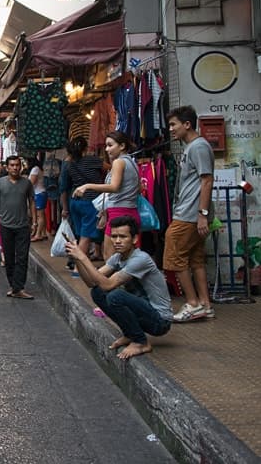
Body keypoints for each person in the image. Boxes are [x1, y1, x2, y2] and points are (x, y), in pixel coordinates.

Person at [66, 216, 173, 359]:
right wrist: (78, 259)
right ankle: (130, 334)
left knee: (115, 296)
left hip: (160, 321)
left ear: (134, 239)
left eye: (122, 237)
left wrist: (83, 257)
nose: (117, 241)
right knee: (97, 292)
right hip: (144, 312)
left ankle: (141, 342)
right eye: (114, 236)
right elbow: (92, 282)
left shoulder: (140, 259)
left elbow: (108, 284)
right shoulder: (117, 258)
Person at [164, 105, 216, 322]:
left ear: (187, 124)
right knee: (195, 258)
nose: (170, 129)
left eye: (173, 124)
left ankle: (193, 303)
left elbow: (207, 180)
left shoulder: (198, 147)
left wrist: (202, 214)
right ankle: (205, 304)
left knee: (174, 255)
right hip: (190, 212)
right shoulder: (191, 147)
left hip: (189, 214)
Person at [73, 131, 141, 259]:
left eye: (110, 145)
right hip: (131, 211)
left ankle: (108, 279)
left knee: (110, 257)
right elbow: (139, 189)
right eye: (106, 145)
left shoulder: (119, 162)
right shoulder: (132, 163)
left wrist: (87, 186)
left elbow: (114, 187)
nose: (106, 149)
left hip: (118, 213)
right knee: (127, 258)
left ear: (121, 146)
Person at [0, 155, 36, 299]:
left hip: (23, 226)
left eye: (17, 165)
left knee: (22, 258)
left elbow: (32, 203)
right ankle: (13, 285)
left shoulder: (27, 183)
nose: (15, 168)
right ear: (7, 167)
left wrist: (34, 222)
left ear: (20, 166)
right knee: (9, 258)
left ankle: (19, 288)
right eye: (12, 165)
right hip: (5, 226)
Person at [60, 137, 106, 271]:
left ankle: (83, 265)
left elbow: (63, 187)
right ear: (85, 148)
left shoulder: (68, 164)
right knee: (86, 237)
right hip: (90, 202)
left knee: (81, 234)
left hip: (75, 201)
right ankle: (77, 267)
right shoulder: (92, 160)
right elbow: (110, 168)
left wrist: (64, 207)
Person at [26, 157, 48, 242]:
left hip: (39, 193)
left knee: (40, 215)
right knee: (42, 215)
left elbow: (31, 182)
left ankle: (38, 234)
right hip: (40, 193)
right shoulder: (39, 169)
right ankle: (43, 233)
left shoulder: (35, 169)